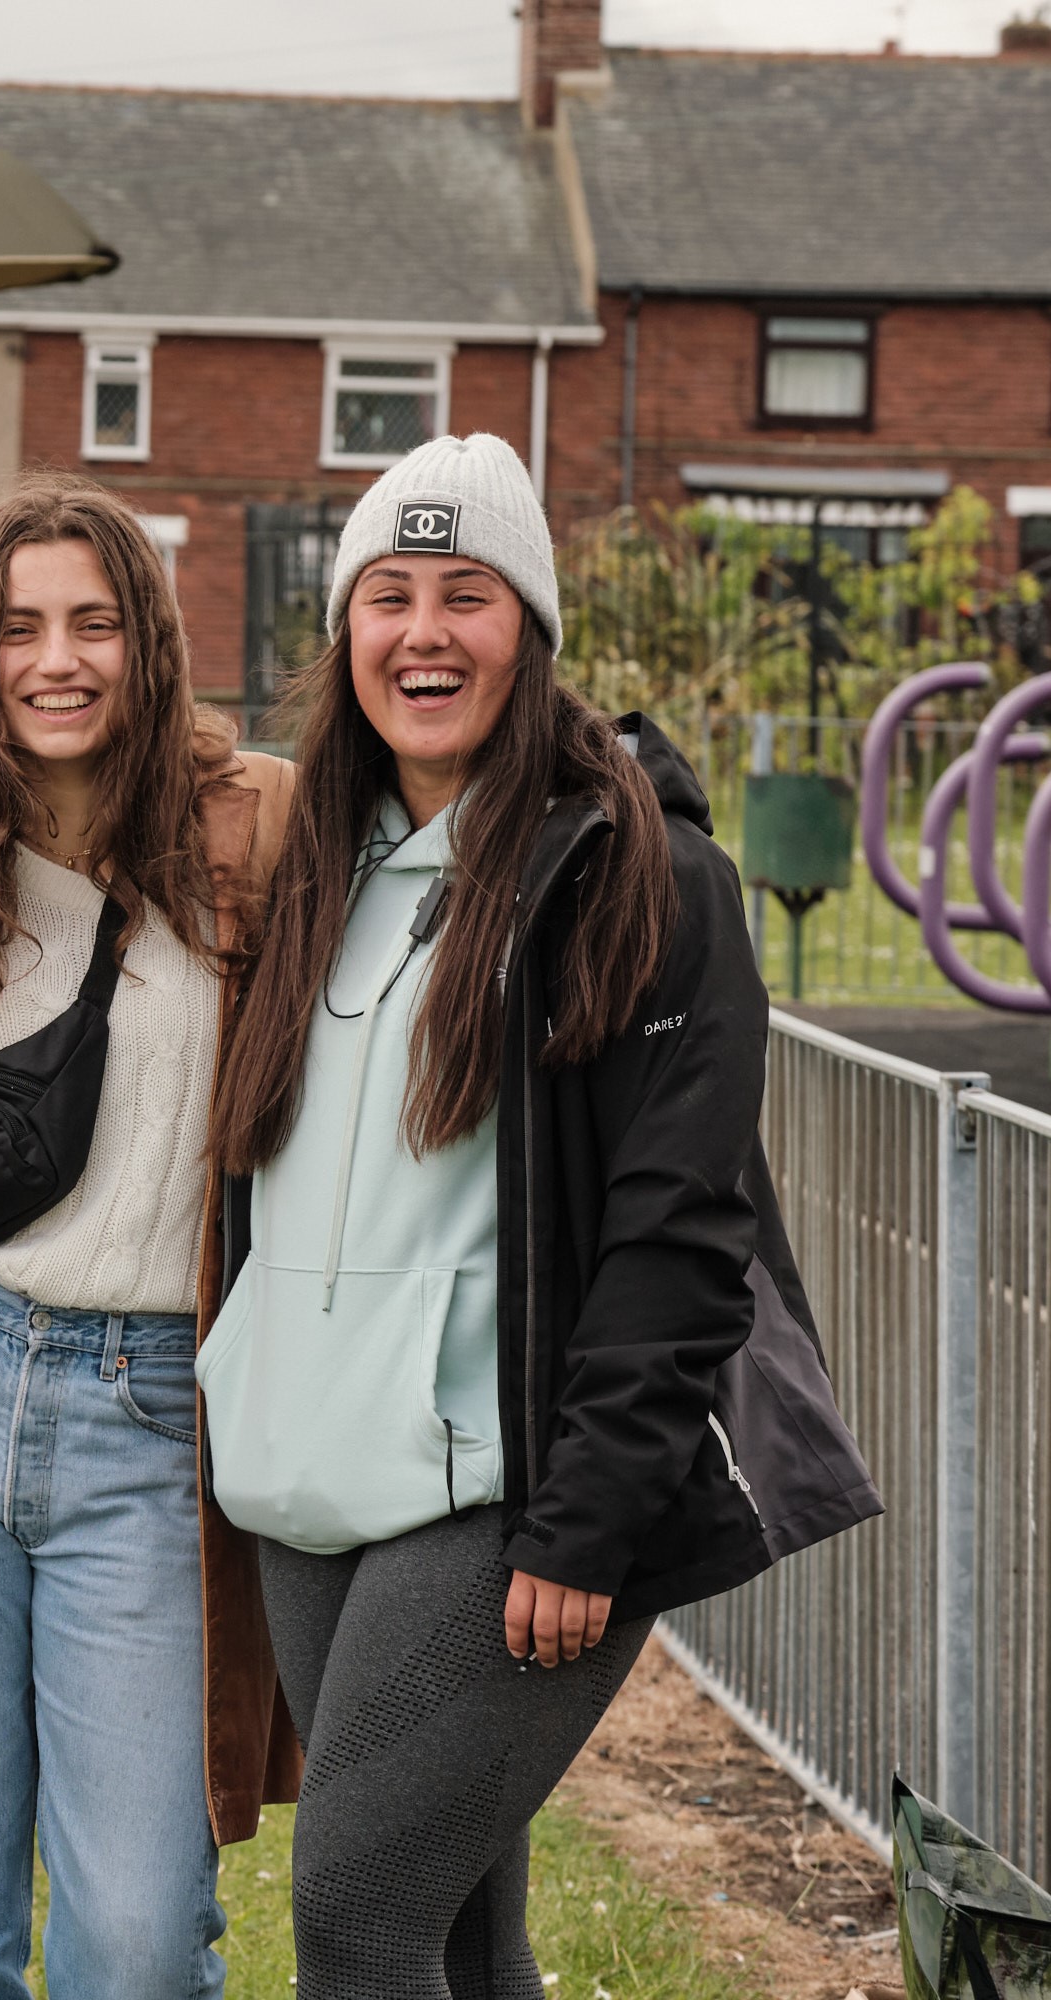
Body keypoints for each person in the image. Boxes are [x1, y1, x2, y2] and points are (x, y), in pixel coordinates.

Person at [198, 434, 879, 1996]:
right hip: (309, 1486)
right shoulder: (316, 860)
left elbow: (680, 1230)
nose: (424, 632)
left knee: (357, 1926)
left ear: (535, 630)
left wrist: (585, 1525)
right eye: (389, 595)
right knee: (453, 1931)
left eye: (467, 594)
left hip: (500, 1497)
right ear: (345, 631)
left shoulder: (640, 873)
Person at [0, 473, 299, 2000]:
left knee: (140, 1940)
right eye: (18, 627)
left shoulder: (257, 835)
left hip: (151, 1415)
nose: (56, 659)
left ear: (149, 642)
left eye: (93, 621)